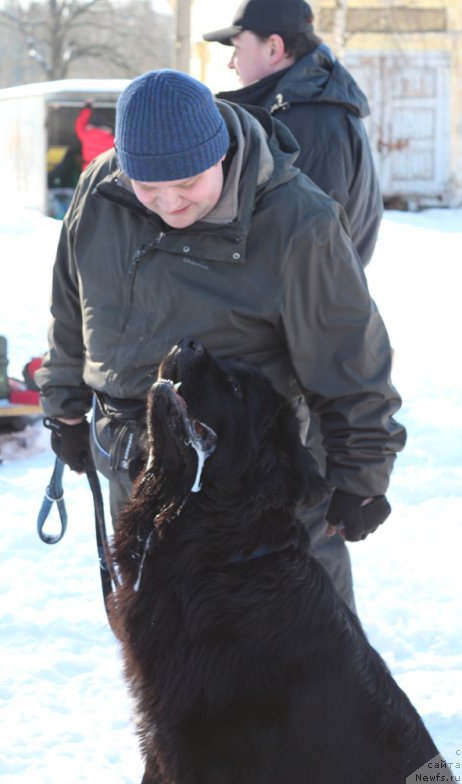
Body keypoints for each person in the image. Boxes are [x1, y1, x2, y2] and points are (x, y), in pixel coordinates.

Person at [35, 69, 406, 611]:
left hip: (248, 481)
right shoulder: (100, 189)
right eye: (150, 187)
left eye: (188, 184)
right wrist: (65, 405)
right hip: (133, 462)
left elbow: (349, 355)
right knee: (170, 642)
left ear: (222, 153)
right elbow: (72, 306)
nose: (170, 203)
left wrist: (362, 476)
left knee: (287, 651)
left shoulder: (297, 222)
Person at [203, 0, 382, 267]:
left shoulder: (310, 119)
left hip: (300, 304)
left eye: (237, 48)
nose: (231, 63)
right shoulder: (305, 106)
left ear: (274, 47)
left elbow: (307, 238)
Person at [74, 101, 115, 170]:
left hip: (88, 168)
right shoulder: (112, 140)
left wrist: (87, 108)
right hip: (105, 169)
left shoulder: (85, 135)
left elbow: (80, 123)